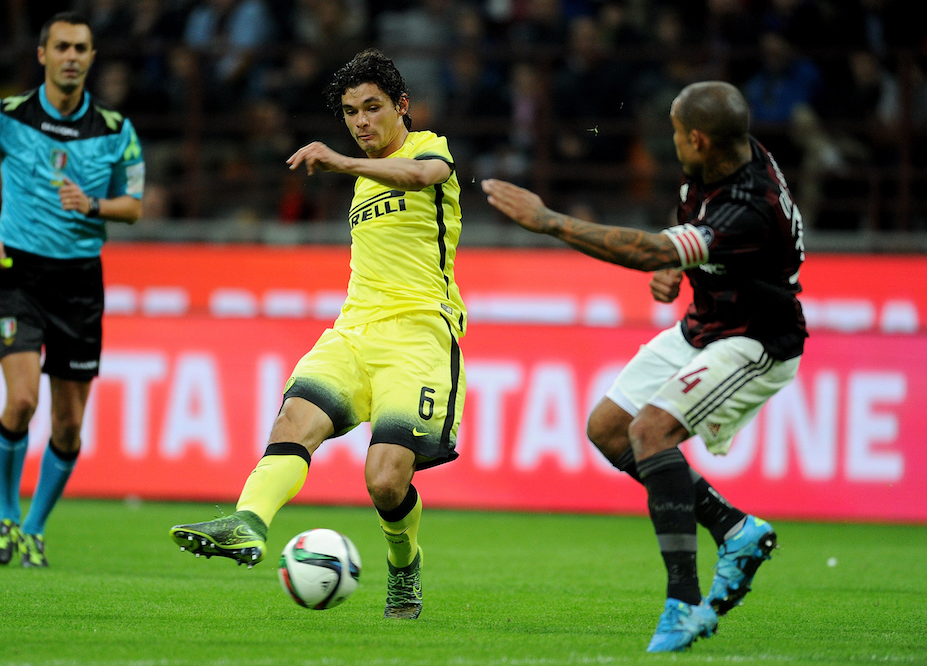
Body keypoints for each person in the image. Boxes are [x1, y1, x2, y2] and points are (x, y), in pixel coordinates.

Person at [482, 81, 806, 652]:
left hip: (755, 341)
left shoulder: (751, 204)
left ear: (699, 139)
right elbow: (699, 238)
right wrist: (684, 264)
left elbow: (666, 245)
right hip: (706, 323)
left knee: (650, 431)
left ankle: (684, 604)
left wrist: (550, 221)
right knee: (608, 428)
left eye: (677, 134)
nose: (670, 142)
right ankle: (735, 529)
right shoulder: (724, 158)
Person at [170, 49, 466, 621]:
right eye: (351, 113)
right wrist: (351, 167)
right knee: (294, 420)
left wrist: (343, 162)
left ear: (402, 106)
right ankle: (247, 522)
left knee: (385, 480)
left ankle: (404, 565)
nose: (361, 122)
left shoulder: (429, 149)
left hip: (419, 334)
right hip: (353, 330)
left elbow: (422, 176)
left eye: (373, 108)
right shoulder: (364, 180)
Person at [0, 11, 144, 568]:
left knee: (69, 424)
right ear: (42, 54)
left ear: (92, 57)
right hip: (18, 274)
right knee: (22, 400)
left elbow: (133, 206)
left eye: (80, 48)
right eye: (62, 47)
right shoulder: (6, 115)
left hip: (79, 282)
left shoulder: (115, 129)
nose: (71, 56)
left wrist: (94, 205)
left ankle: (34, 528)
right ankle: (7, 515)